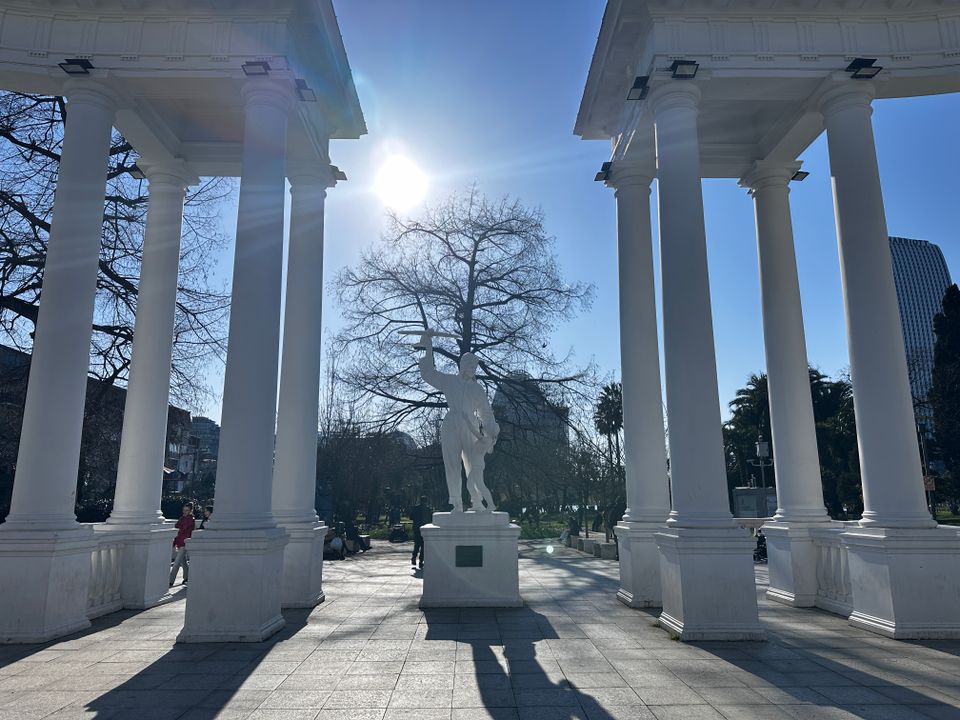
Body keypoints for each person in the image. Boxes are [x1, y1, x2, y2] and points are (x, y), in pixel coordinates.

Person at [417, 329, 499, 512]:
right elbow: (429, 374)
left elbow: (486, 413)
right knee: (452, 464)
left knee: (473, 464)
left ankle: (477, 501)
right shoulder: (450, 382)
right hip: (451, 423)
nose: (472, 370)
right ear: (463, 365)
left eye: (474, 367)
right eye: (470, 366)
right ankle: (456, 503)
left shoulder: (478, 390)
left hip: (470, 426)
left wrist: (491, 431)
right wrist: (428, 346)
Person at [169, 502, 195, 587]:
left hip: (185, 543)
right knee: (183, 562)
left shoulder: (191, 520)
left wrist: (180, 529)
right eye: (184, 510)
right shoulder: (181, 518)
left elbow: (183, 530)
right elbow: (177, 529)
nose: (185, 512)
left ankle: (170, 581)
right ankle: (187, 577)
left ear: (191, 511)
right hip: (179, 542)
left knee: (176, 563)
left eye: (187, 510)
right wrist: (175, 542)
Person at [410, 495, 432, 569]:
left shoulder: (416, 508)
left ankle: (414, 557)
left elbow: (411, 517)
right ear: (426, 501)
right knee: (423, 546)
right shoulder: (428, 509)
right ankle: (421, 561)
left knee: (417, 545)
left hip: (417, 529)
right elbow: (430, 520)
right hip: (425, 529)